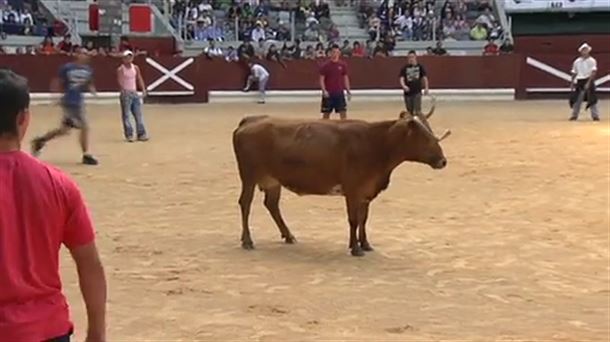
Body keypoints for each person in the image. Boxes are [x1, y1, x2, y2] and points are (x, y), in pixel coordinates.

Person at [0, 69, 107, 342]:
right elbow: (90, 265)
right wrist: (96, 333)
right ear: (23, 119)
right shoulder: (59, 184)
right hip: (48, 329)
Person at [31, 48, 99, 165]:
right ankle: (86, 154)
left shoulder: (88, 70)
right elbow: (57, 82)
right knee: (84, 127)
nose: (85, 56)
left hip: (78, 101)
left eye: (86, 54)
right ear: (77, 55)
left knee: (63, 130)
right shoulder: (68, 68)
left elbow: (88, 82)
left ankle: (40, 140)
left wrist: (92, 89)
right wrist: (55, 96)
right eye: (82, 53)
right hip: (69, 102)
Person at [117, 50, 149, 141]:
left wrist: (143, 89)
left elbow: (139, 78)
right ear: (123, 59)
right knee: (126, 115)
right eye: (127, 57)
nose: (129, 59)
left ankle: (141, 134)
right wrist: (124, 90)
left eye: (130, 57)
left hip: (134, 92)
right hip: (126, 93)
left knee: (138, 114)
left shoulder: (135, 68)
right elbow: (120, 81)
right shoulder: (121, 69)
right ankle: (129, 135)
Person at [319, 44, 352, 120]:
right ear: (330, 53)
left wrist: (348, 90)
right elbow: (321, 79)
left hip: (339, 92)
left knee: (343, 112)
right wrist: (324, 91)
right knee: (326, 114)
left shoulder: (342, 65)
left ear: (339, 53)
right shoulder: (325, 65)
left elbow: (345, 78)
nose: (335, 54)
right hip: (329, 92)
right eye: (333, 52)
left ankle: (344, 129)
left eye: (337, 52)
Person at [570, 43, 600, 121]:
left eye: (586, 50)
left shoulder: (592, 61)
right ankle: (574, 115)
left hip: (588, 79)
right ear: (581, 51)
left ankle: (595, 115)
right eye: (583, 50)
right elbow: (574, 72)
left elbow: (593, 72)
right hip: (580, 81)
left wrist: (588, 82)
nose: (585, 51)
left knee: (592, 99)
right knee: (577, 99)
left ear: (588, 51)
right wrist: (572, 83)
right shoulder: (577, 61)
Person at [399, 50, 429, 115]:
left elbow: (424, 78)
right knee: (409, 111)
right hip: (407, 93)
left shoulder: (420, 67)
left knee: (417, 111)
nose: (411, 59)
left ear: (415, 57)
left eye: (412, 57)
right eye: (409, 57)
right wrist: (404, 86)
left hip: (417, 92)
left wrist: (426, 88)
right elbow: (401, 78)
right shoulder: (404, 68)